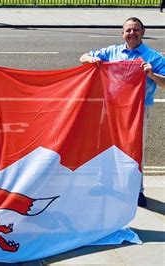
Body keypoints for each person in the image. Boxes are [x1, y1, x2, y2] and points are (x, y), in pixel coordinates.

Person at [79, 17, 165, 208]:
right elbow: (83, 57)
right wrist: (90, 59)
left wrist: (151, 75)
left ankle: (137, 190)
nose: (132, 33)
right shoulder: (112, 52)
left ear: (143, 32)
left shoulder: (153, 57)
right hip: (111, 108)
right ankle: (105, 183)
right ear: (123, 33)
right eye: (128, 30)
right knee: (107, 147)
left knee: (134, 150)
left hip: (138, 110)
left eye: (135, 30)